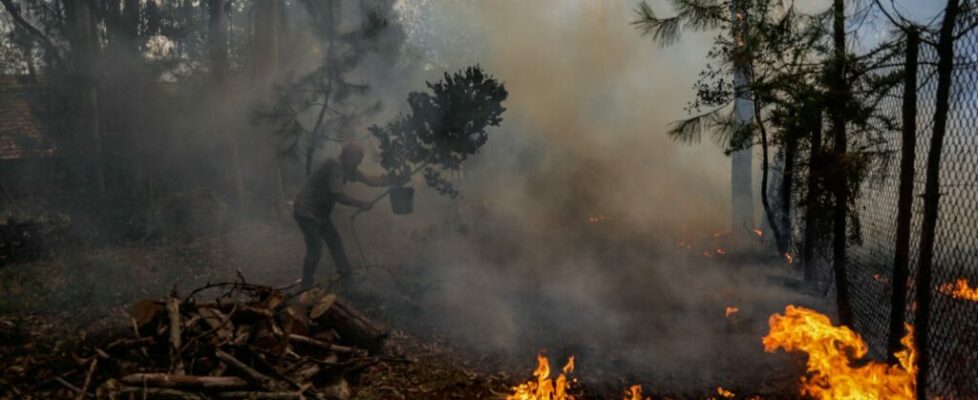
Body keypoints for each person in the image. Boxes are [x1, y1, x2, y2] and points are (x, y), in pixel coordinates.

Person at [293, 143, 401, 289]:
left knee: (335, 243)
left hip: (321, 213)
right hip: (305, 210)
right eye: (359, 158)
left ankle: (348, 281)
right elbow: (338, 195)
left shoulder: (349, 169)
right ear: (349, 155)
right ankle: (305, 287)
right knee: (315, 248)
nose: (360, 161)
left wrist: (390, 180)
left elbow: (370, 181)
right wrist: (361, 204)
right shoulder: (334, 165)